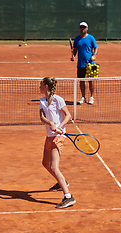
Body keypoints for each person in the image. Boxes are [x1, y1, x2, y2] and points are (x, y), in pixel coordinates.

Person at [39, 77, 76, 209]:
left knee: (54, 167)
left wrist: (60, 126)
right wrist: (50, 123)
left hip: (58, 137)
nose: (39, 87)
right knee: (45, 163)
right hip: (49, 135)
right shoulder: (42, 101)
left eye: (41, 85)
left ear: (46, 87)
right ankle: (62, 182)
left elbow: (68, 115)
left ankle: (68, 197)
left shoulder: (58, 99)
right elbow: (42, 117)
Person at [71, 21, 98, 105]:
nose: (83, 28)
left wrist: (95, 54)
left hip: (90, 64)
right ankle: (83, 97)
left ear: (87, 28)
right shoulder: (77, 39)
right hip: (80, 64)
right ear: (79, 28)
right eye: (81, 27)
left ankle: (92, 97)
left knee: (91, 81)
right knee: (81, 81)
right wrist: (73, 55)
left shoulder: (91, 38)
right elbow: (75, 50)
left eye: (84, 27)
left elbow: (96, 48)